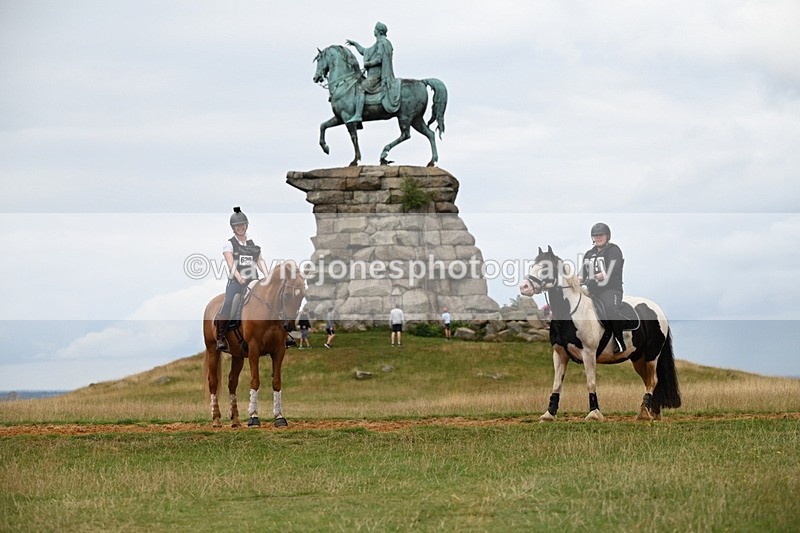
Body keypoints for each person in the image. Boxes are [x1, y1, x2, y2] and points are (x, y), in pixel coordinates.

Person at [215, 207, 269, 352]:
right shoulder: (229, 244)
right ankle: (221, 337)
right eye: (237, 226)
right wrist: (239, 277)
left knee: (270, 299)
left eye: (242, 225)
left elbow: (260, 261)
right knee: (229, 303)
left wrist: (267, 275)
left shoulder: (252, 245)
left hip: (253, 281)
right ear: (233, 228)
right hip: (236, 282)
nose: (240, 228)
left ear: (246, 225)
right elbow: (231, 264)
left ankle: (282, 332)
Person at [581, 222, 626, 353]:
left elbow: (610, 271)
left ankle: (619, 341)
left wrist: (593, 278)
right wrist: (570, 281)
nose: (598, 237)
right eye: (596, 235)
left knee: (610, 308)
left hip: (610, 290)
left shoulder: (614, 251)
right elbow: (582, 275)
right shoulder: (589, 254)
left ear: (607, 236)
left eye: (601, 235)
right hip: (592, 292)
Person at [345, 21, 401, 125]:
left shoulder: (382, 43)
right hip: (373, 75)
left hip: (377, 76)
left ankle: (358, 115)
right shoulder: (378, 44)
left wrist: (368, 63)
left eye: (375, 29)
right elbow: (365, 51)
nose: (373, 31)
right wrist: (355, 44)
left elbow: (379, 59)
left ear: (378, 31)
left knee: (360, 88)